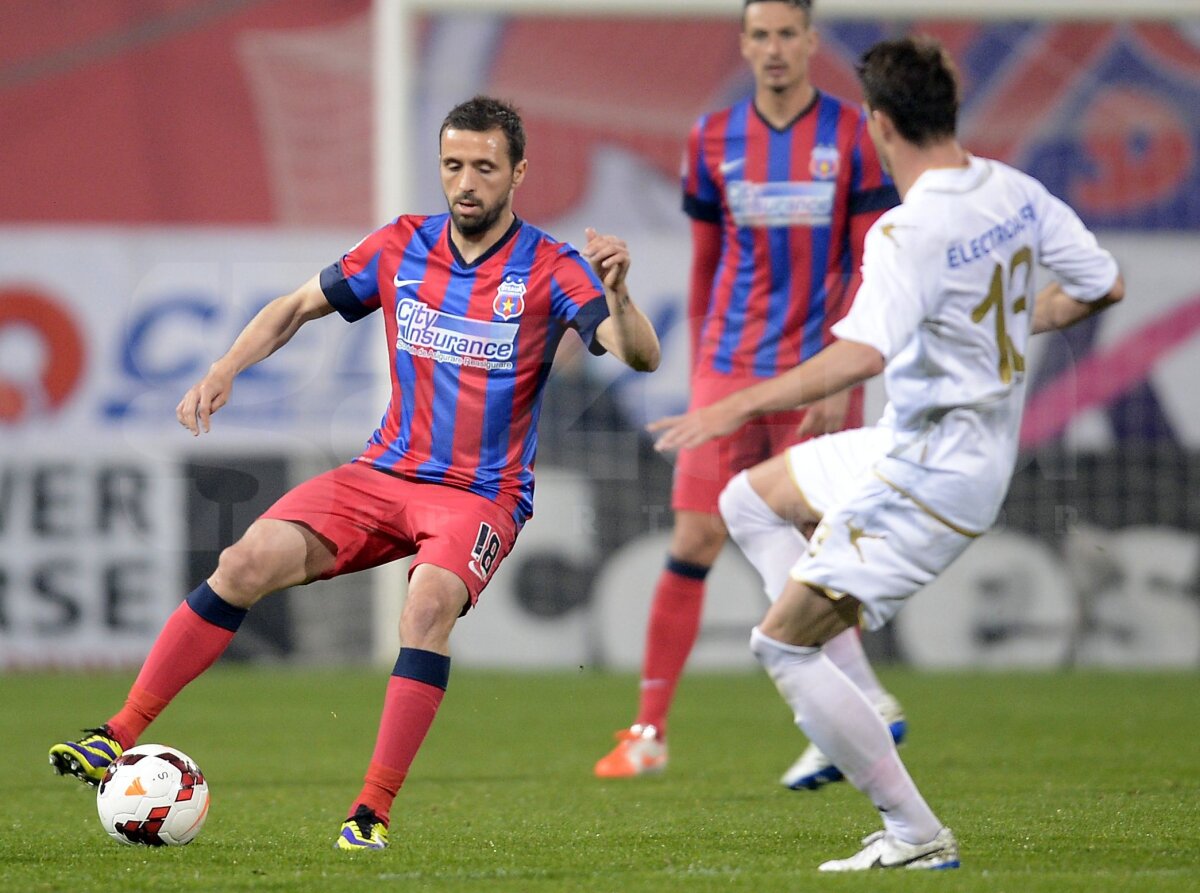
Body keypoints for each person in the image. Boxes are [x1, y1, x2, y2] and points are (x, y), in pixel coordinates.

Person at [48, 95, 661, 851]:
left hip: (480, 493)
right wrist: (225, 367)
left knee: (428, 603)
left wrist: (621, 292)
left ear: (519, 172)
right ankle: (116, 733)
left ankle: (370, 809)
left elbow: (638, 354)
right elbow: (297, 305)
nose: (466, 182)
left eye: (484, 167)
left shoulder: (552, 265)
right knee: (243, 560)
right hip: (382, 473)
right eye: (453, 165)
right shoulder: (402, 245)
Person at [649, 36, 1124, 871]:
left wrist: (738, 401)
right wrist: (1009, 323)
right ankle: (861, 691)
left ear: (878, 124)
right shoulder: (1013, 190)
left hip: (929, 479)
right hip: (910, 445)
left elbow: (861, 355)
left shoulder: (909, 230)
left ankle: (913, 830)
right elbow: (1102, 284)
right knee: (746, 500)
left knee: (780, 645)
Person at [594, 0, 903, 787]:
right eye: (759, 35)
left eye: (786, 35)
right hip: (730, 366)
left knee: (818, 543)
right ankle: (649, 730)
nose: (772, 49)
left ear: (809, 42)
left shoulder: (851, 136)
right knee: (694, 538)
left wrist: (843, 365)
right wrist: (704, 369)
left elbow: (871, 259)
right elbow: (705, 263)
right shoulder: (711, 138)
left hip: (816, 365)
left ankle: (854, 709)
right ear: (744, 44)